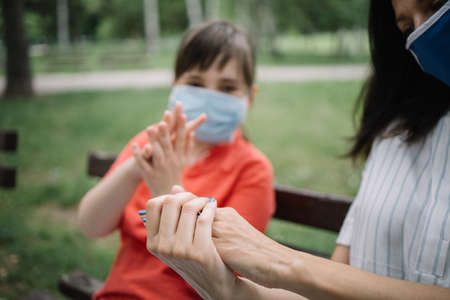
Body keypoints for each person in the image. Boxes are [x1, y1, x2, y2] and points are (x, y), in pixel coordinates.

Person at [143, 0, 450, 299]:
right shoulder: (393, 134)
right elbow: (332, 285)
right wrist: (228, 290)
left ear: (251, 96)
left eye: (436, 7)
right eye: (406, 25)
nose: (421, 36)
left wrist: (282, 261)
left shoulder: (251, 166)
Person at [77, 21, 275, 300]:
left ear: (250, 96)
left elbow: (227, 281)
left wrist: (168, 191)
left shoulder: (252, 169)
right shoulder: (150, 143)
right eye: (195, 83)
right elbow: (91, 225)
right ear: (175, 87)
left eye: (227, 87)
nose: (210, 95)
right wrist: (135, 169)